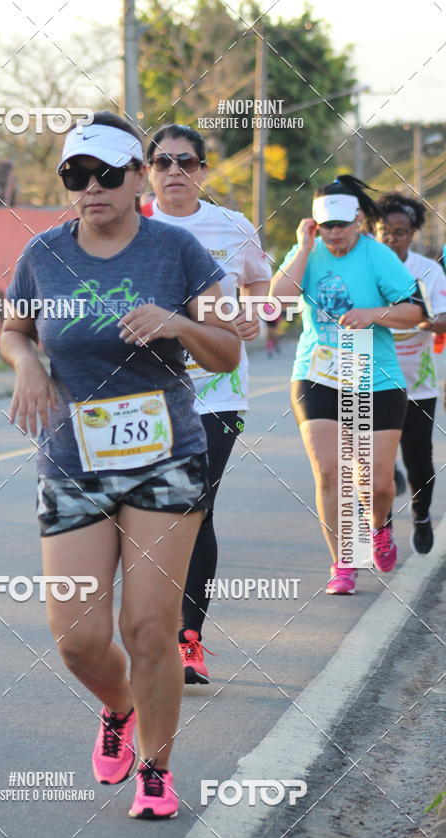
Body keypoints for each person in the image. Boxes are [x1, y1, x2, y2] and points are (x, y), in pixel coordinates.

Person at [0, 112, 240, 819]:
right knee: (77, 639)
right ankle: (120, 706)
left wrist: (179, 324)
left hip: (166, 456)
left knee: (147, 627)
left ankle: (157, 770)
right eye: (76, 175)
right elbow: (14, 330)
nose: (92, 187)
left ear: (138, 177)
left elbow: (226, 349)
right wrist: (26, 365)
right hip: (73, 460)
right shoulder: (44, 254)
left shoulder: (177, 252)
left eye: (107, 173)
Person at [145, 123, 271, 683]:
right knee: (153, 514)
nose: (175, 171)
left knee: (196, 508)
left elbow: (261, 289)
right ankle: (151, 628)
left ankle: (187, 638)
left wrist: (253, 315)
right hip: (147, 395)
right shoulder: (132, 227)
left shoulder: (233, 227)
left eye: (186, 162)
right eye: (163, 162)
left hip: (219, 393)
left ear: (202, 170)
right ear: (146, 172)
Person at [271, 175, 423, 595]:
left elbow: (414, 312)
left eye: (341, 224)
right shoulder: (307, 251)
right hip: (317, 372)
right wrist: (303, 248)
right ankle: (344, 561)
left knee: (376, 483)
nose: (334, 233)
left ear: (358, 220)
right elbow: (277, 301)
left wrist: (373, 314)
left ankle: (378, 526)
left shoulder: (377, 256)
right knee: (329, 471)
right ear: (315, 223)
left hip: (375, 375)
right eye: (326, 226)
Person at [376, 192, 446, 553]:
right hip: (375, 381)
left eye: (400, 232)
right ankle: (382, 527)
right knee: (376, 464)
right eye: (384, 232)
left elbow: (444, 318)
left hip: (418, 385)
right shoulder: (367, 266)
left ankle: (421, 516)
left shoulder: (428, 270)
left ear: (412, 233)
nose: (391, 239)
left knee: (419, 461)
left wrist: (426, 322)